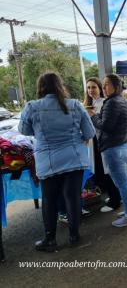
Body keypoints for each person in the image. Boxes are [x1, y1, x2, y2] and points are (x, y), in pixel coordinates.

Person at [18, 72, 95, 251]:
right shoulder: (75, 105)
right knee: (73, 197)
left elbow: (24, 130)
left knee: (49, 199)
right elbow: (90, 133)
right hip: (74, 158)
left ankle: (50, 240)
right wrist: (75, 140)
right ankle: (75, 237)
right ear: (61, 86)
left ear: (40, 87)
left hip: (47, 161)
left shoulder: (32, 107)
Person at [88, 74, 127, 227]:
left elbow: (106, 126)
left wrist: (92, 116)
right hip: (121, 146)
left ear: (115, 86)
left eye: (106, 85)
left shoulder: (112, 102)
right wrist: (98, 116)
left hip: (114, 148)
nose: (103, 88)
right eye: (103, 85)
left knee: (122, 184)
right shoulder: (120, 100)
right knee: (124, 183)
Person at [84, 77, 122, 212]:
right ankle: (114, 196)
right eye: (88, 87)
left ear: (100, 88)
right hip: (93, 141)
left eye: (94, 87)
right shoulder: (89, 104)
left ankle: (115, 200)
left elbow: (104, 125)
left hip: (103, 141)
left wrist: (92, 115)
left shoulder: (104, 104)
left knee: (107, 171)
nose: (91, 90)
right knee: (99, 172)